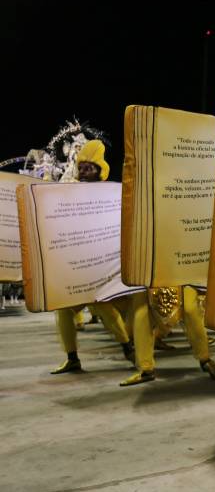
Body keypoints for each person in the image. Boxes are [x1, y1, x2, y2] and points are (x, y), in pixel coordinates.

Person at [50, 140, 136, 374]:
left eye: (90, 167)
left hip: (100, 267)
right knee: (64, 309)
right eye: (82, 166)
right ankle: (72, 357)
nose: (84, 170)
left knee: (102, 308)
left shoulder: (109, 194)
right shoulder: (70, 194)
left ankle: (128, 347)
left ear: (100, 170)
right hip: (75, 265)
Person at [119, 286, 215, 386]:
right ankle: (145, 368)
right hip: (148, 275)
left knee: (190, 310)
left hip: (182, 271)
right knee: (141, 314)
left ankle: (205, 359)